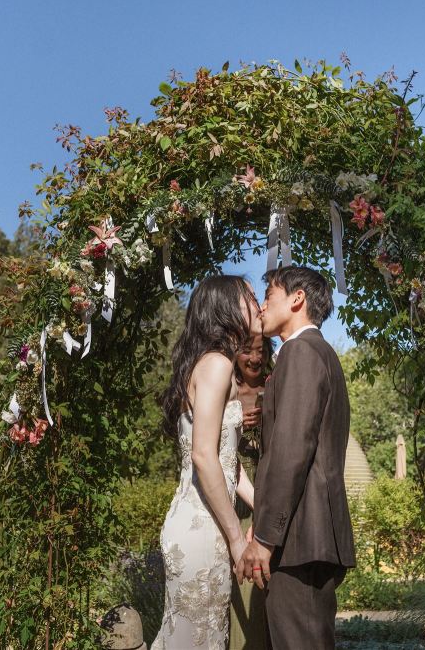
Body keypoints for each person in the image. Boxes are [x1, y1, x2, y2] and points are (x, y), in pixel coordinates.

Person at [236, 266, 356, 650]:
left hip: (300, 539)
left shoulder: (301, 353)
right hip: (308, 536)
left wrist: (267, 536)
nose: (261, 308)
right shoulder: (315, 353)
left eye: (268, 296)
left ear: (297, 299)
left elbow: (291, 453)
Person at [152, 275, 262, 649]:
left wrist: (266, 506)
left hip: (206, 522)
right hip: (201, 527)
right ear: (226, 308)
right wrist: (236, 538)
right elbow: (203, 456)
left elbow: (228, 463)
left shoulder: (216, 366)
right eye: (249, 296)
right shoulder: (215, 365)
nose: (258, 302)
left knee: (199, 637)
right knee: (192, 638)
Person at [229, 334, 272, 650]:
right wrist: (235, 426)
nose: (255, 358)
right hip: (233, 511)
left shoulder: (274, 387)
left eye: (261, 350)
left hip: (270, 507)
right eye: (247, 351)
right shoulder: (225, 391)